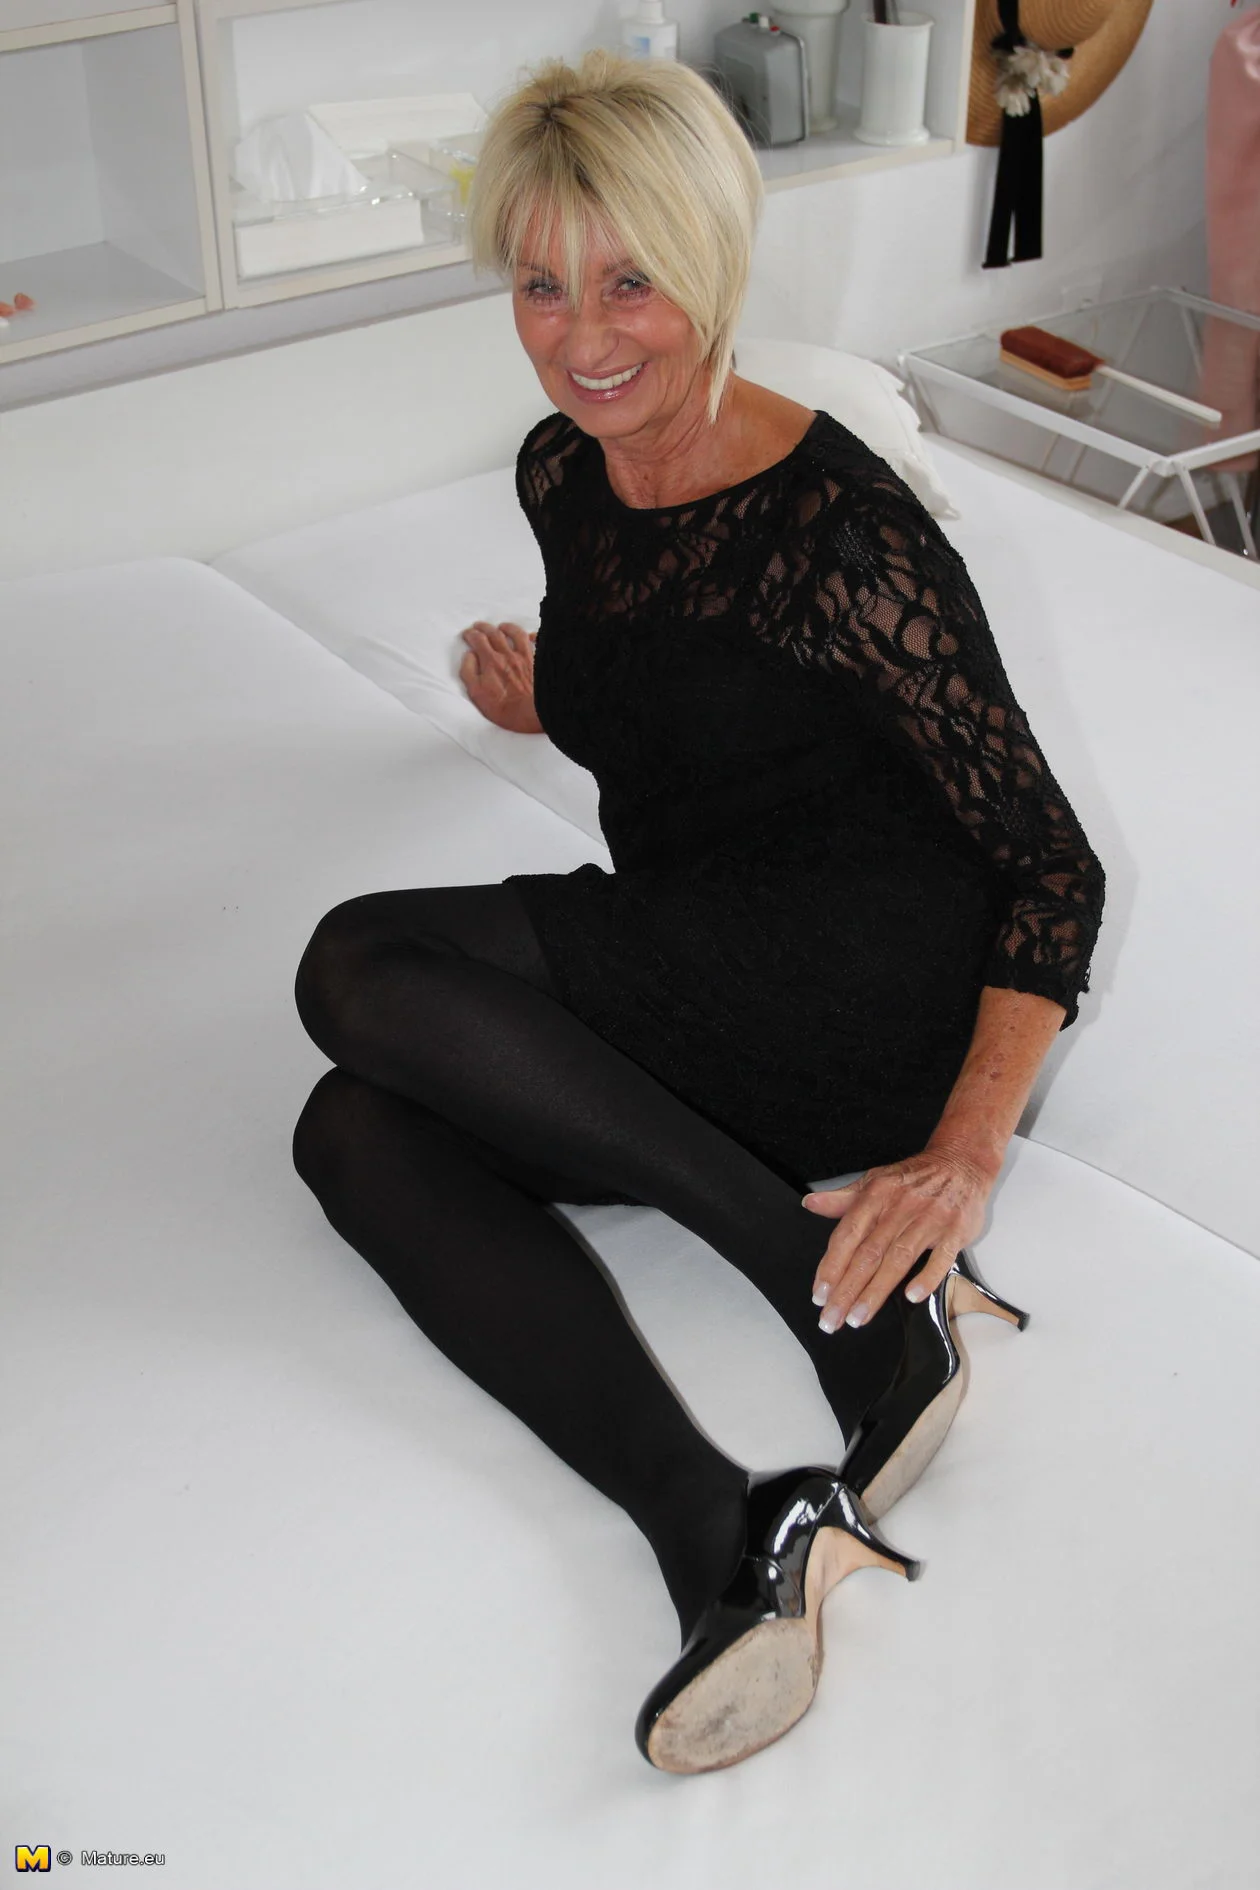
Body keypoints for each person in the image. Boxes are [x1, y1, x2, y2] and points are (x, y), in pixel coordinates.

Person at [291, 48, 1105, 1776]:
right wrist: (547, 695)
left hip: (864, 996)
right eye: (541, 284)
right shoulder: (562, 473)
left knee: (356, 962)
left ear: (715, 269)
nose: (583, 337)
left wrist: (964, 1154)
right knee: (348, 1128)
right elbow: (664, 676)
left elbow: (1052, 864)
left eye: (631, 282)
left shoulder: (843, 536)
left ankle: (816, 1275)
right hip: (701, 961)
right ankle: (720, 1527)